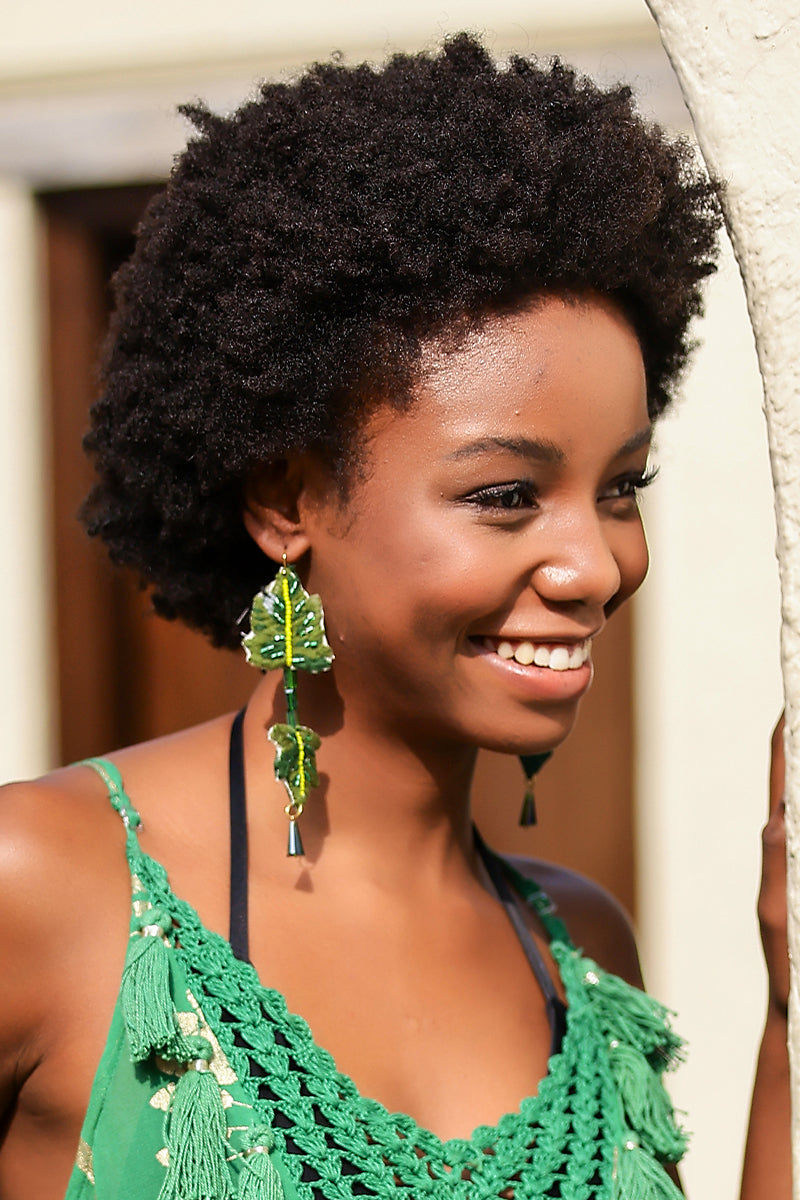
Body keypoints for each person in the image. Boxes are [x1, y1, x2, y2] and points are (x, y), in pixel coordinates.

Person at [0, 33, 788, 1200]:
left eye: (619, 487)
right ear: (286, 500)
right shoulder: (42, 888)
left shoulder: (578, 949)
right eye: (505, 496)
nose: (593, 564)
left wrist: (788, 1006)